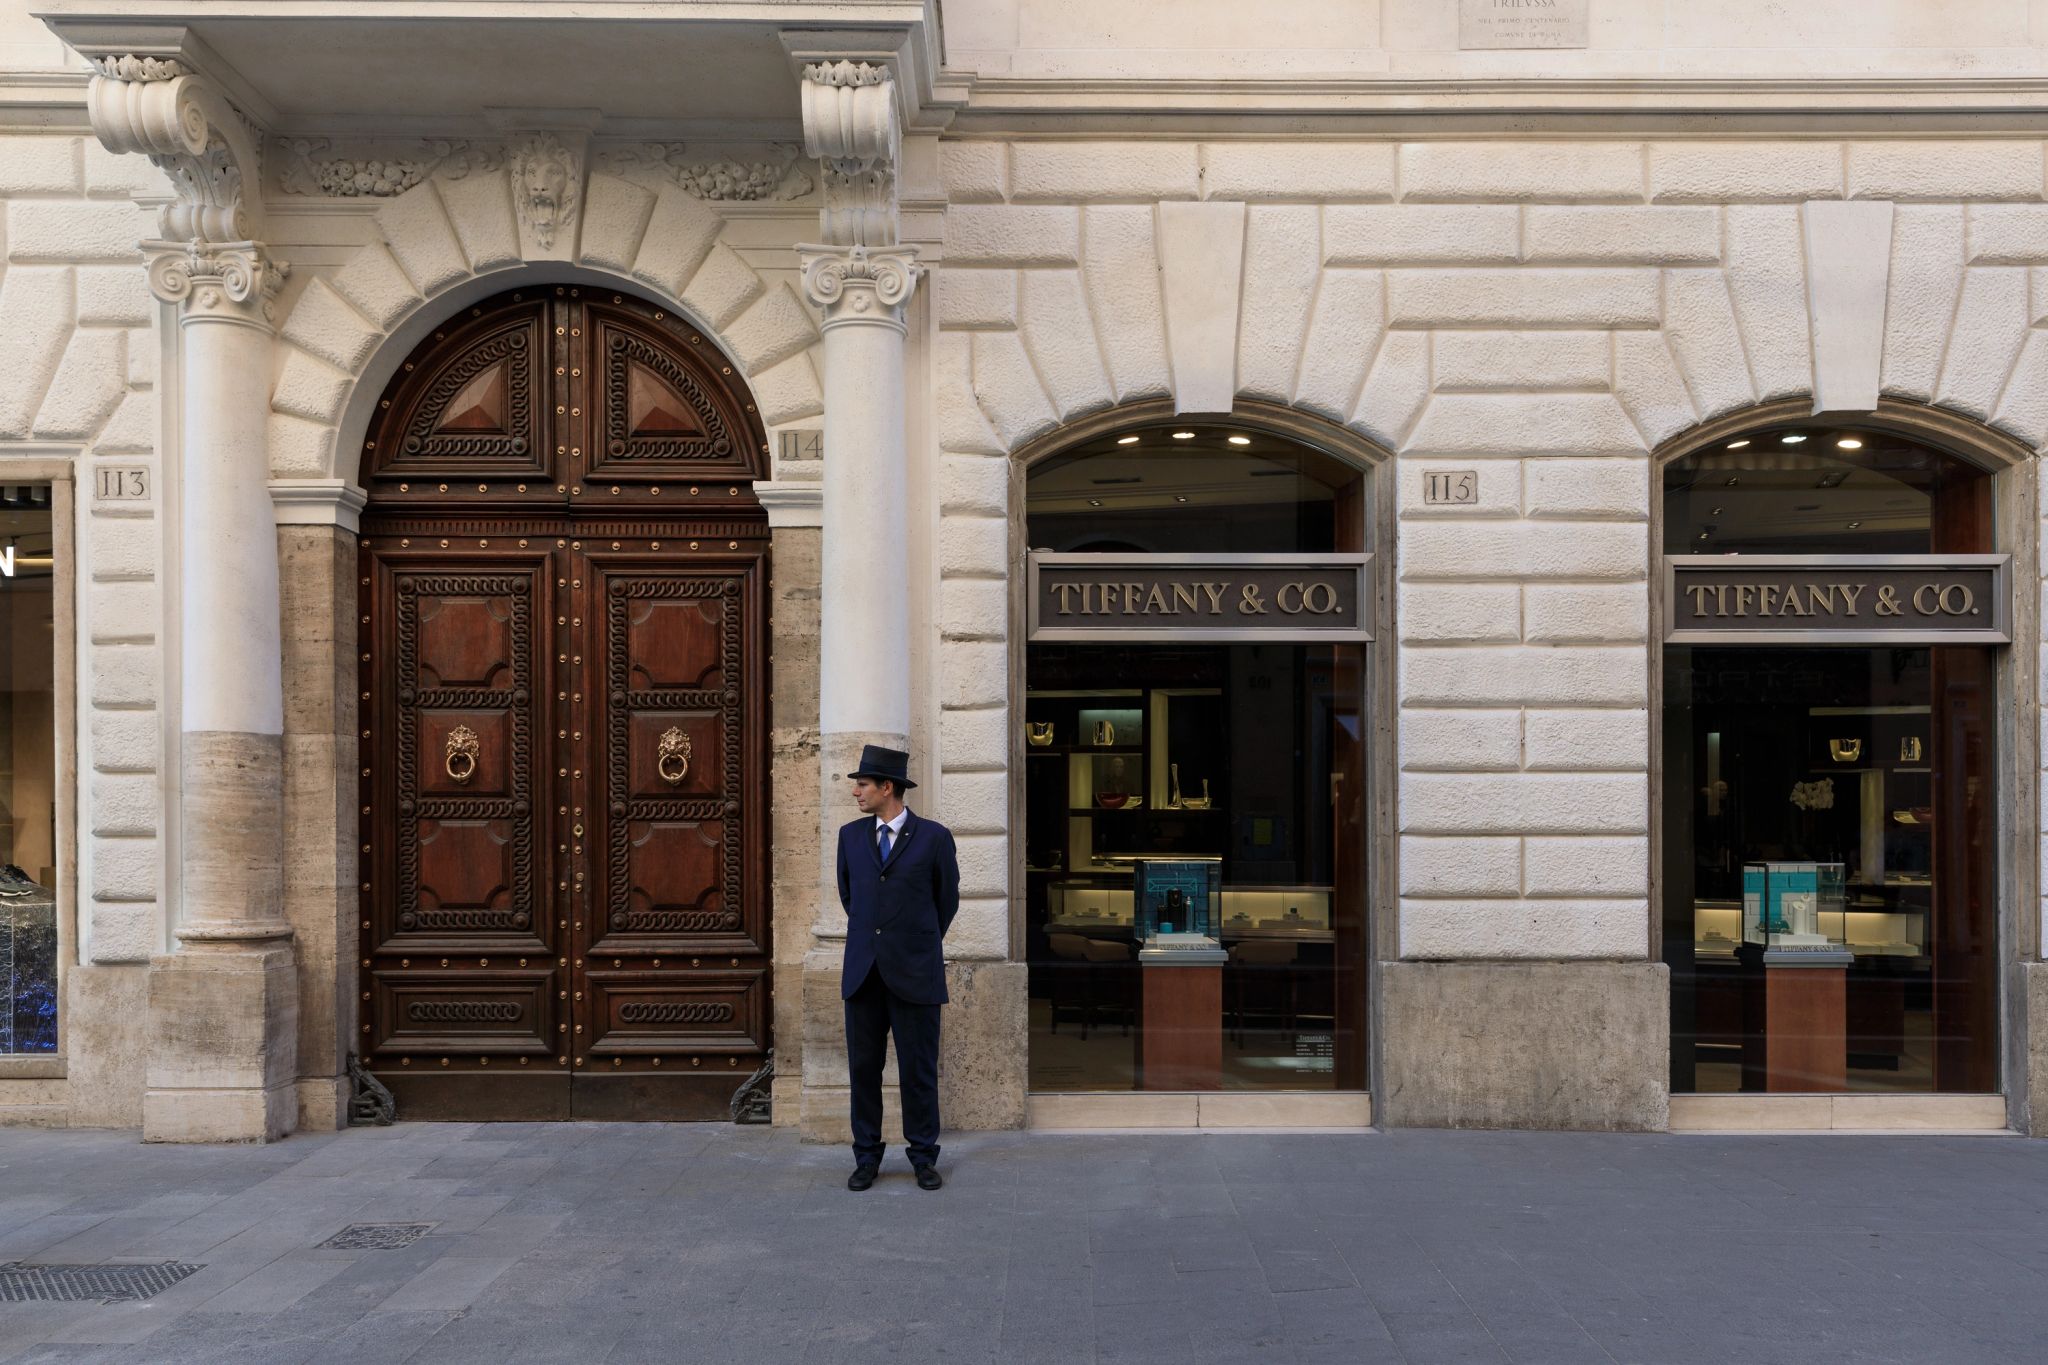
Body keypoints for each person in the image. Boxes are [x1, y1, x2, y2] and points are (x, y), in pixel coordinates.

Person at [836, 744, 960, 1192]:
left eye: (863, 784)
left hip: (915, 974)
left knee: (918, 1071)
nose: (856, 792)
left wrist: (915, 944)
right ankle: (866, 1156)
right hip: (864, 974)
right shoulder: (850, 837)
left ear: (887, 788)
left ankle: (923, 1157)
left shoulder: (933, 838)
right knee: (863, 1071)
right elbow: (850, 898)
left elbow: (946, 902)